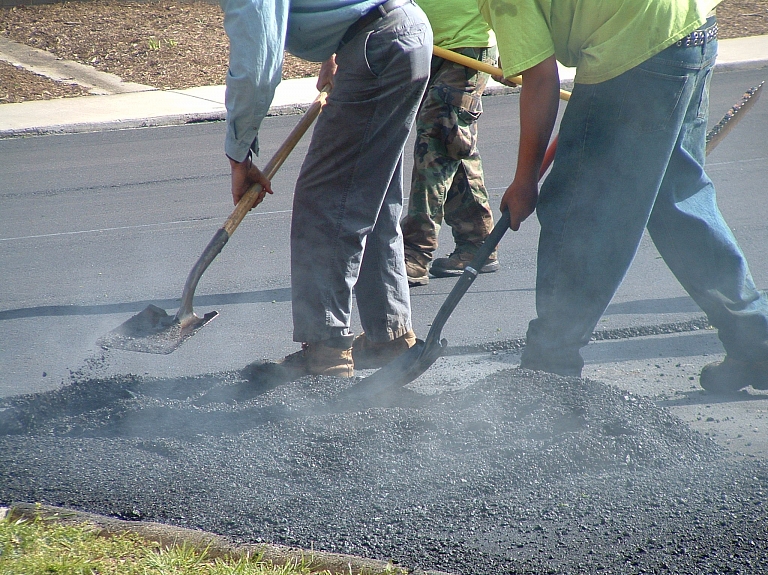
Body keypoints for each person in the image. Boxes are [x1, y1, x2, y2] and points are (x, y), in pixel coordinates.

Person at [479, 0, 768, 393]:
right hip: (691, 27)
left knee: (580, 210)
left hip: (636, 49)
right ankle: (756, 342)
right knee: (676, 200)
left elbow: (542, 80)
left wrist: (525, 180)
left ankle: (549, 370)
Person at [222, 0, 432, 378]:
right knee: (373, 195)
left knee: (325, 202)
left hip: (376, 46)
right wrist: (336, 53)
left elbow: (256, 69)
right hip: (401, 30)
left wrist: (240, 154)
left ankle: (326, 348)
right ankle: (390, 335)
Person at [401, 0, 499, 287]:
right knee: (454, 144)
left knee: (434, 144)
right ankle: (478, 242)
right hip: (426, 46)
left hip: (467, 47)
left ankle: (415, 254)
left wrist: (514, 44)